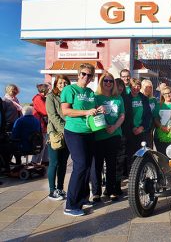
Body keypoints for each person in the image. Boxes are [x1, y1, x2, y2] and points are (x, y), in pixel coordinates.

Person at [61, 63, 105, 217]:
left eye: (89, 75)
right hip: (74, 132)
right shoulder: (70, 89)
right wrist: (86, 111)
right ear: (78, 74)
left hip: (89, 132)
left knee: (87, 166)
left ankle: (83, 198)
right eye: (83, 74)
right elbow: (65, 111)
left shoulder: (91, 92)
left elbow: (94, 109)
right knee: (80, 165)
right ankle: (71, 205)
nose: (86, 77)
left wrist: (99, 110)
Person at [91, 72, 125, 202]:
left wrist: (114, 127)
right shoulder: (96, 97)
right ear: (101, 82)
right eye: (106, 81)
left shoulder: (118, 98)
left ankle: (110, 190)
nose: (108, 83)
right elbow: (92, 115)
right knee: (97, 165)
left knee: (112, 164)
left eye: (111, 81)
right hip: (99, 134)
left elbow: (122, 115)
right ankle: (96, 192)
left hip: (114, 134)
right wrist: (105, 126)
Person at [46, 75, 71, 201]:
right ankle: (52, 190)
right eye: (60, 83)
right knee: (54, 162)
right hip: (55, 133)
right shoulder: (50, 97)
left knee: (63, 163)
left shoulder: (69, 96)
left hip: (68, 133)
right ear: (56, 84)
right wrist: (66, 129)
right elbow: (53, 116)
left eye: (65, 82)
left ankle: (60, 188)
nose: (63, 85)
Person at [124, 78, 152, 175]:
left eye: (138, 86)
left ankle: (142, 174)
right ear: (130, 87)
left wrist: (142, 127)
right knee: (130, 155)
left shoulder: (144, 98)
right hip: (130, 131)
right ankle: (131, 176)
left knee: (142, 154)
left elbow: (148, 115)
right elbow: (125, 115)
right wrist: (132, 128)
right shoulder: (126, 98)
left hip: (141, 131)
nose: (136, 88)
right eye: (134, 86)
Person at [31, 83, 50, 164]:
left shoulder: (42, 98)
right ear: (44, 89)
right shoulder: (38, 99)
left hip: (43, 125)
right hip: (40, 125)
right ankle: (35, 162)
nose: (49, 90)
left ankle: (45, 160)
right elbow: (45, 111)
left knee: (45, 144)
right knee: (40, 144)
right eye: (48, 89)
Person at [154, 87, 171, 154]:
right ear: (162, 95)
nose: (168, 95)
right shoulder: (158, 105)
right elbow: (155, 118)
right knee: (161, 156)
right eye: (165, 94)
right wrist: (161, 127)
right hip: (160, 135)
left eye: (169, 93)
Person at [141, 79, 159, 148]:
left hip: (151, 127)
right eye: (147, 87)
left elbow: (156, 113)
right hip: (141, 126)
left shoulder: (153, 100)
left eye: (150, 87)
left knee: (149, 146)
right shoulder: (139, 98)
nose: (149, 89)